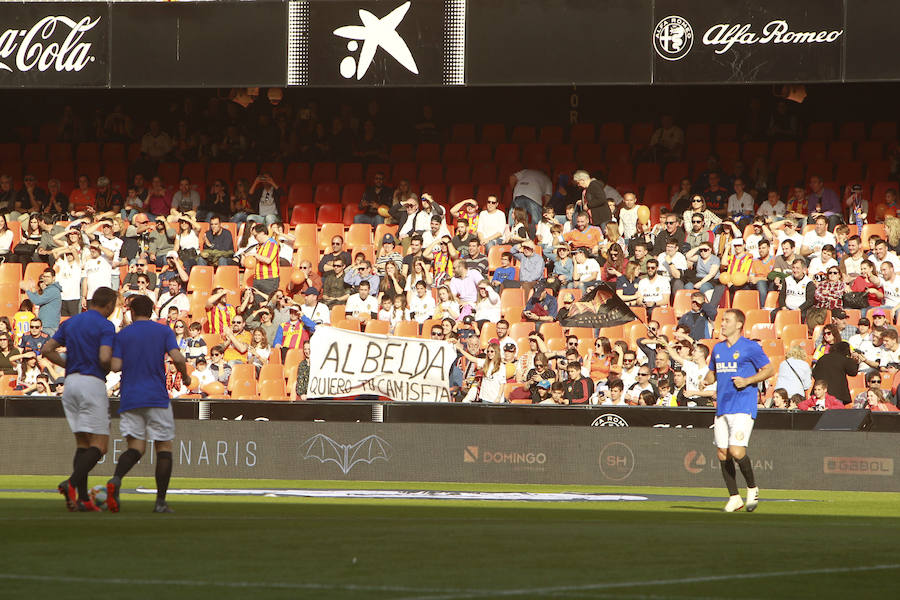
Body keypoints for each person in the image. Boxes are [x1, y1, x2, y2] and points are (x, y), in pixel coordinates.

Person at [105, 295, 190, 514]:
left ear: (131, 312)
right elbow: (178, 358)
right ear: (152, 311)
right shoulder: (163, 331)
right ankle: (160, 502)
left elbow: (115, 366)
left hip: (130, 397)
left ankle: (116, 478)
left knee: (135, 448)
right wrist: (186, 377)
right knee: (163, 447)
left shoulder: (124, 334)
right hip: (156, 397)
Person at [40, 287, 118, 512]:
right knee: (100, 445)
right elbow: (104, 356)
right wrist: (109, 366)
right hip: (91, 384)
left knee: (83, 443)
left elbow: (47, 349)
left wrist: (70, 364)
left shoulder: (71, 323)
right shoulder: (105, 325)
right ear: (110, 304)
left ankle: (82, 499)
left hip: (70, 383)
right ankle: (70, 483)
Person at [704, 309, 774, 512]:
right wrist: (705, 378)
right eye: (722, 320)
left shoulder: (750, 347)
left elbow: (769, 370)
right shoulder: (717, 349)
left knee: (736, 450)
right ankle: (734, 496)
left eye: (727, 320)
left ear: (739, 324)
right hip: (723, 407)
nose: (722, 324)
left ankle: (752, 488)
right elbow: (712, 375)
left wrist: (748, 381)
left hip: (743, 405)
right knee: (722, 453)